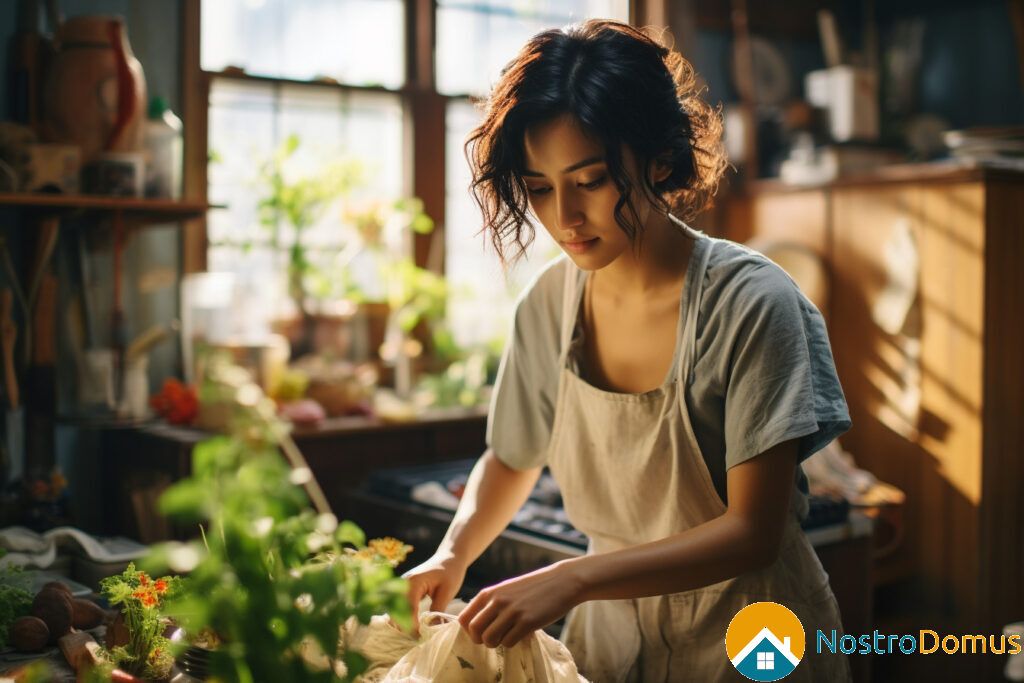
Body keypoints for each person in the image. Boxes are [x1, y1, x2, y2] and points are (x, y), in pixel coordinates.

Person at [403, 18, 853, 682]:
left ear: (658, 160)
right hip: (612, 642)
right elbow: (511, 456)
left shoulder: (752, 303)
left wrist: (575, 577)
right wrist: (452, 551)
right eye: (539, 188)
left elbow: (753, 530)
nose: (564, 216)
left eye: (589, 180)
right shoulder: (548, 306)